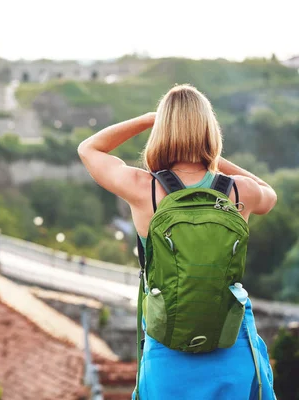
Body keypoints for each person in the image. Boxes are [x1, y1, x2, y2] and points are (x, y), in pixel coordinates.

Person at [78, 84, 277, 400]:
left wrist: (147, 119)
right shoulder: (240, 192)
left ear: (162, 130)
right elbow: (269, 192)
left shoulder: (144, 189)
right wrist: (216, 162)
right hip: (231, 343)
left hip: (168, 350)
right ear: (209, 130)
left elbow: (89, 149)